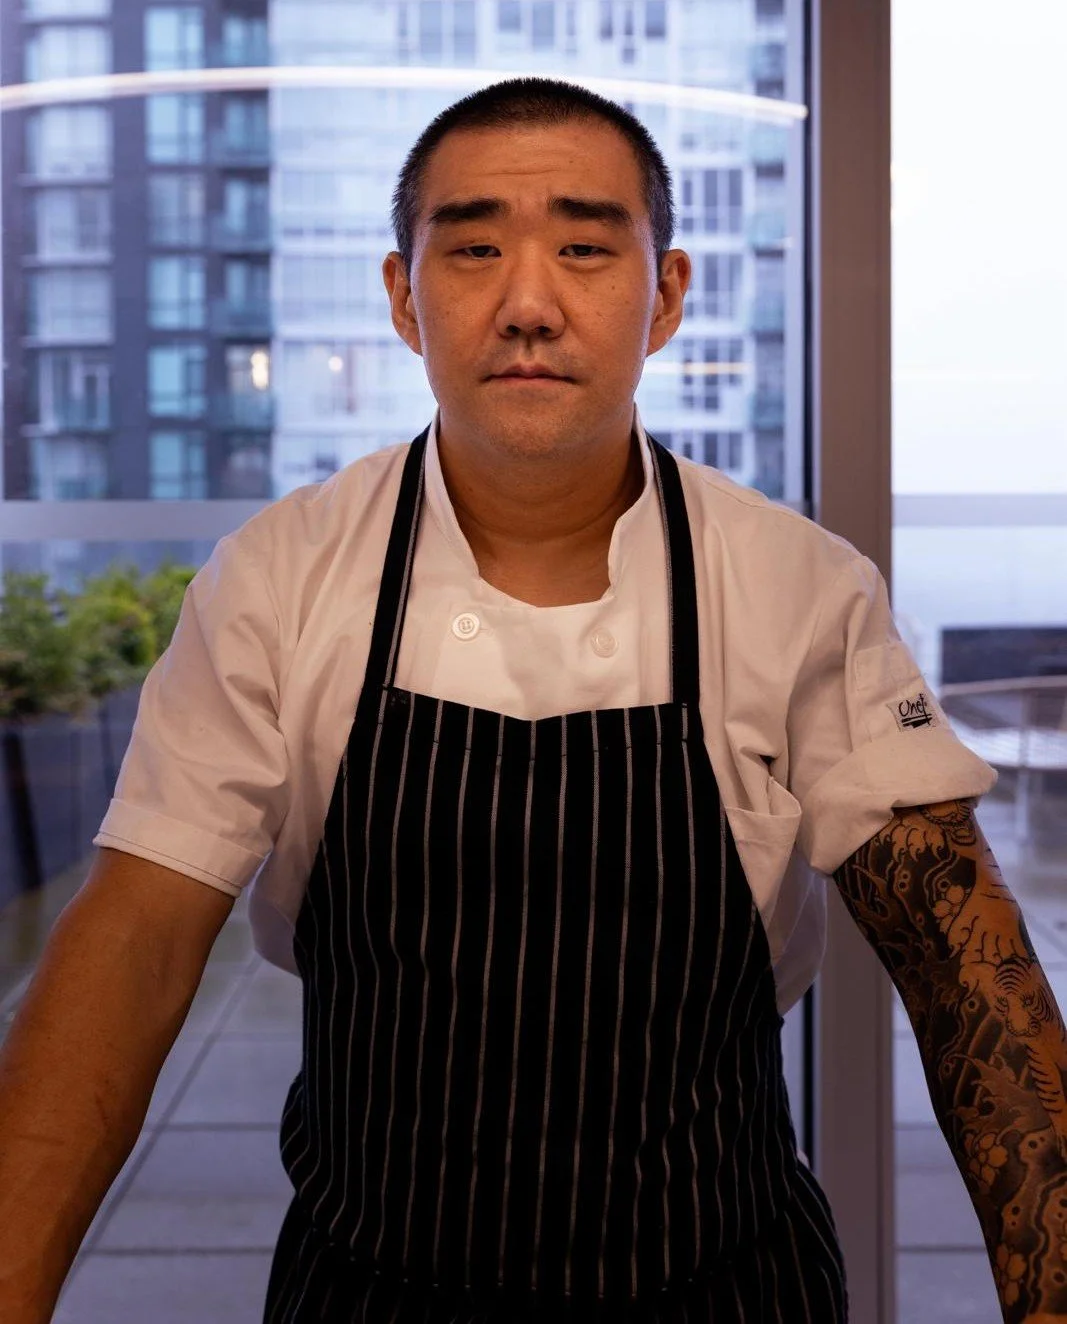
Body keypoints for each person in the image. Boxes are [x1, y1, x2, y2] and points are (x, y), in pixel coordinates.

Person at [1, 75, 1066, 1324]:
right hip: (370, 1293)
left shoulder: (794, 585)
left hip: (725, 1288)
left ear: (663, 295)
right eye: (469, 250)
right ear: (403, 298)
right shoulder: (278, 582)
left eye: (580, 247)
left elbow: (962, 967)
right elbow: (131, 945)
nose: (526, 304)